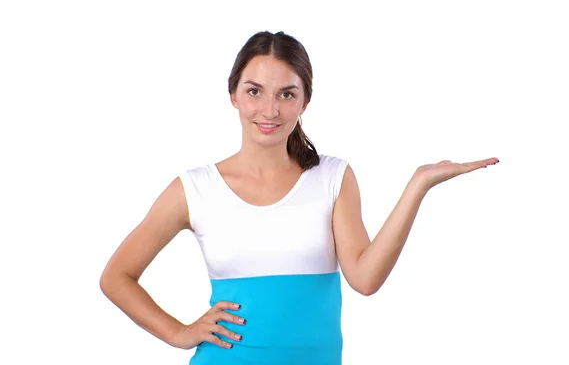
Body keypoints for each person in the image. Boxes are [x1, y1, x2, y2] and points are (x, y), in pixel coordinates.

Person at [99, 30, 499, 365]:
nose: (269, 109)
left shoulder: (332, 177)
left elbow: (365, 278)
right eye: (255, 91)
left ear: (305, 101)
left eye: (286, 94)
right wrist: (179, 332)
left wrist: (418, 185)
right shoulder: (195, 188)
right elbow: (116, 277)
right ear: (234, 96)